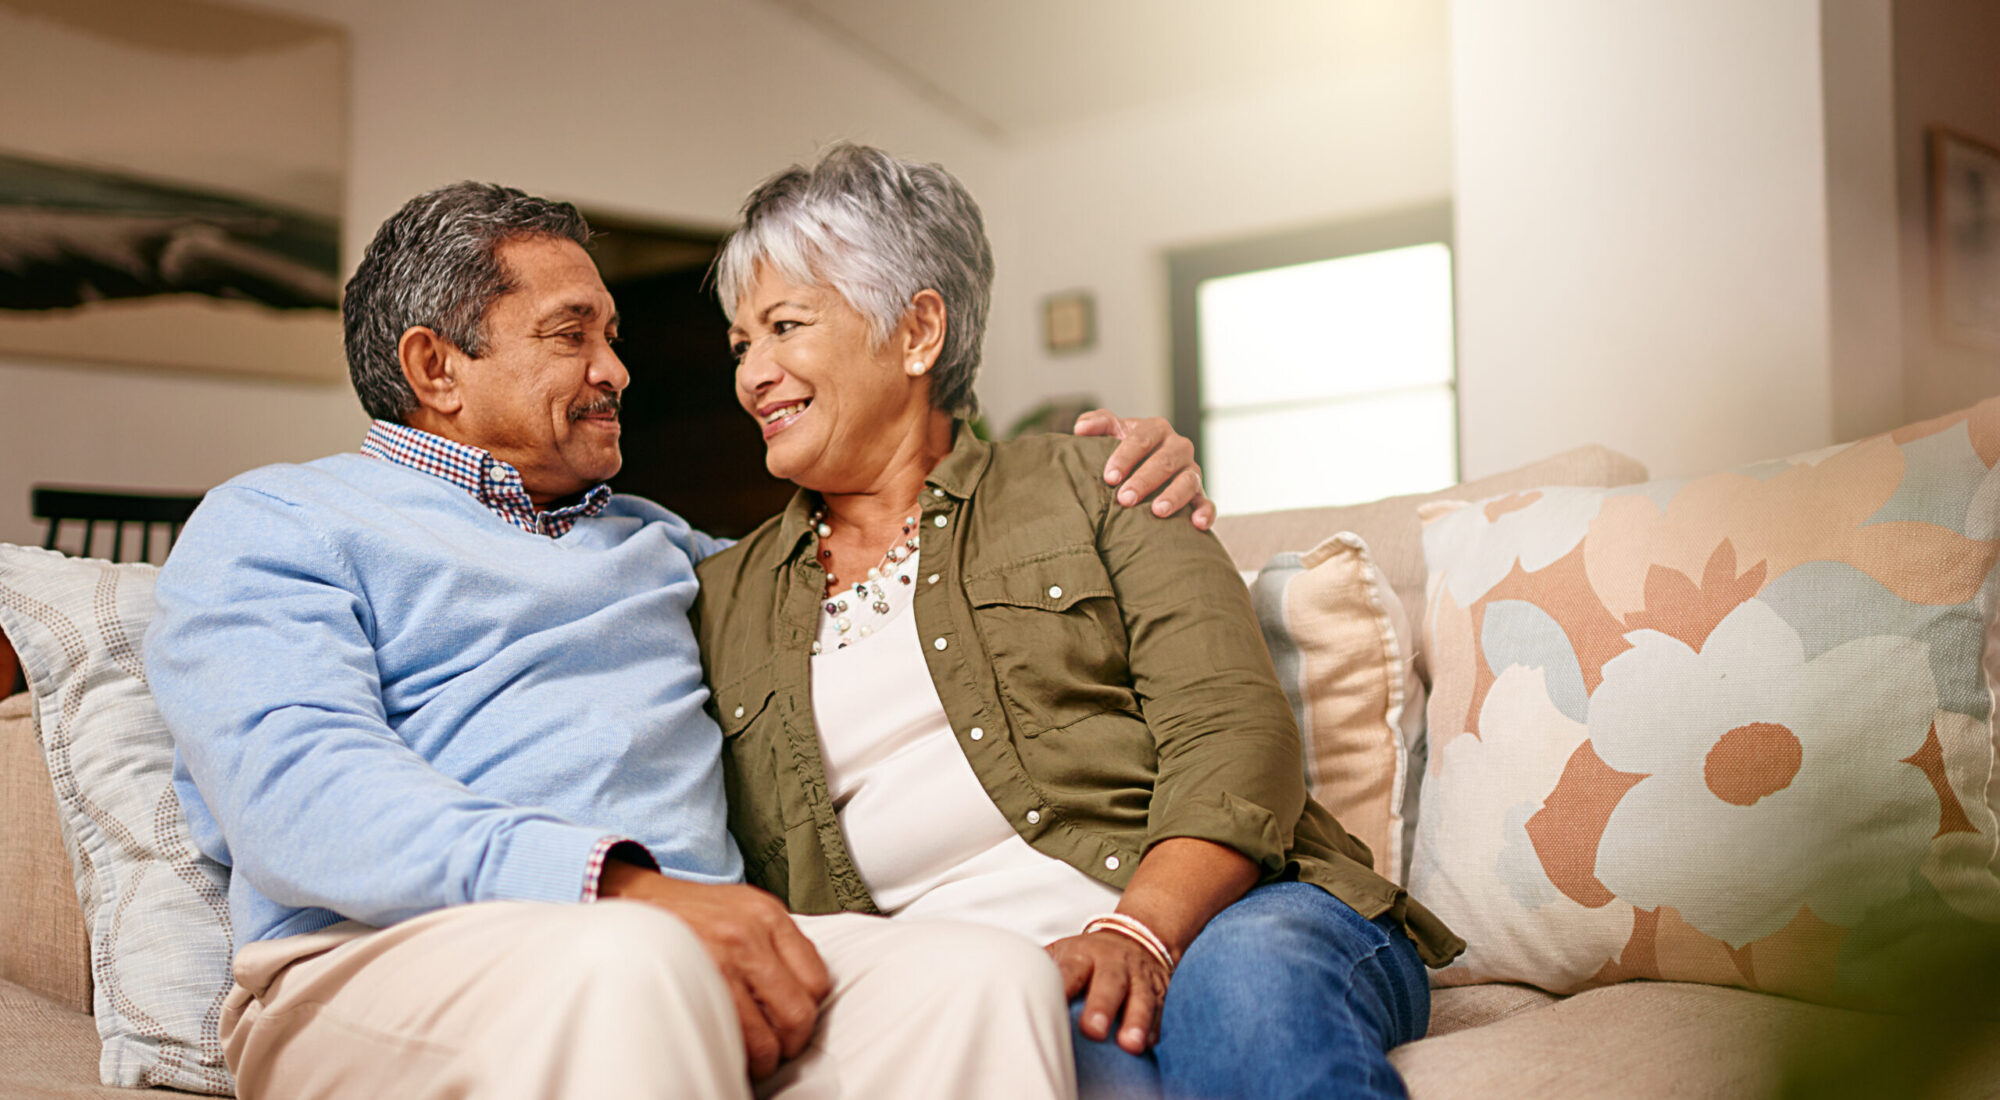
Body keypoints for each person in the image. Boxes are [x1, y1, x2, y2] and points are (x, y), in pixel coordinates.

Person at [144, 180, 1209, 1100]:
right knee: (636, 964)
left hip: (691, 953)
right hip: (370, 963)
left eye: (613, 336)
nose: (616, 369)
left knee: (981, 977)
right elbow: (302, 795)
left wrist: (1108, 486)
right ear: (435, 368)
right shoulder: (278, 522)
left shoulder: (665, 549)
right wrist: (625, 888)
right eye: (571, 335)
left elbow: (879, 563)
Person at [692, 144, 1466, 1100]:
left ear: (917, 331)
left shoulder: (1099, 483)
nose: (752, 374)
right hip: (981, 979)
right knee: (1066, 1053)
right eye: (740, 345)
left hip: (1240, 912)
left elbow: (1231, 731)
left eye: (784, 327)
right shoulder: (716, 595)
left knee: (1248, 1007)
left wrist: (1137, 929)